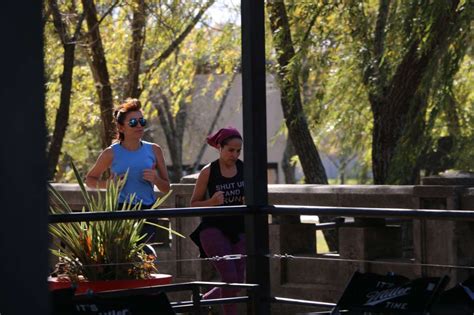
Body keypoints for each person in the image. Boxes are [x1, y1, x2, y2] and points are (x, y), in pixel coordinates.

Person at [85, 98, 170, 244]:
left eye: (142, 121)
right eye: (133, 122)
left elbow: (167, 188)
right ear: (120, 127)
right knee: (125, 262)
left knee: (144, 257)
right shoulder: (110, 153)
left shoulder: (154, 150)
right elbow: (89, 180)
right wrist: (109, 184)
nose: (139, 126)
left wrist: (156, 179)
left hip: (148, 212)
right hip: (120, 212)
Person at [190, 127, 245, 315]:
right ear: (220, 148)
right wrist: (212, 202)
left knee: (237, 282)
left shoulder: (245, 169)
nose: (235, 155)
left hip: (238, 230)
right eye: (231, 150)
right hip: (213, 230)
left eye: (238, 151)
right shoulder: (208, 171)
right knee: (229, 278)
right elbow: (193, 204)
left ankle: (198, 304)